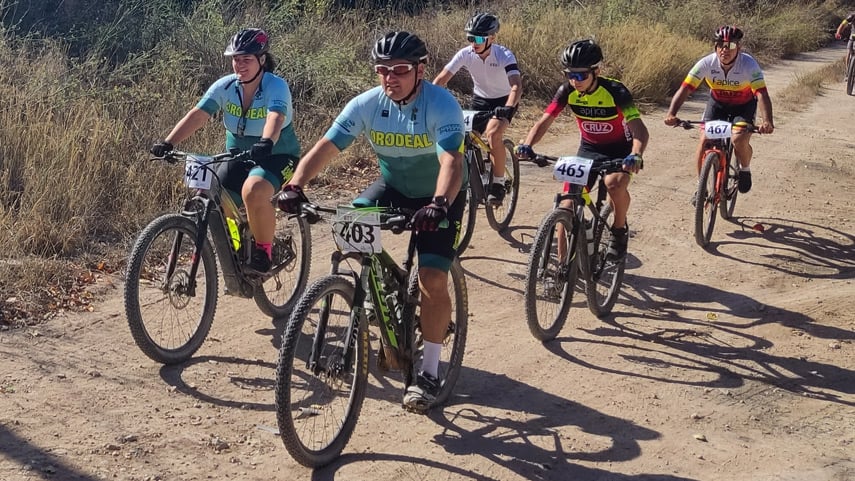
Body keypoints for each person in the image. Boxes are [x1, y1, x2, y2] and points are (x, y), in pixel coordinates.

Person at [274, 31, 466, 413]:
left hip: (440, 196)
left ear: (421, 70)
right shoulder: (366, 104)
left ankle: (428, 370)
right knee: (352, 233)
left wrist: (439, 204)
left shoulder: (441, 104)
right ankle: (383, 297)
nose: (389, 78)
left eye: (399, 70)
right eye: (382, 70)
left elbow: (452, 162)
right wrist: (294, 185)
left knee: (430, 278)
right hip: (392, 186)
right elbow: (326, 147)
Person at [150, 28, 300, 275]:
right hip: (238, 155)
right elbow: (198, 115)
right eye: (235, 59)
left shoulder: (276, 86)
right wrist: (168, 142)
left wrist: (267, 141)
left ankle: (264, 251)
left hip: (276, 155)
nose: (239, 65)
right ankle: (239, 246)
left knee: (253, 191)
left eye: (247, 59)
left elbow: (276, 116)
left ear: (262, 60)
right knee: (213, 195)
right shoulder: (226, 86)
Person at [515, 39, 647, 260]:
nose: (574, 81)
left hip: (619, 150)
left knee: (613, 184)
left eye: (580, 75)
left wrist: (636, 154)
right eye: (569, 74)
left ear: (596, 71)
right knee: (565, 205)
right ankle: (560, 271)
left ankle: (619, 230)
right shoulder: (567, 91)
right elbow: (544, 122)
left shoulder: (615, 91)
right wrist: (527, 145)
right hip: (589, 148)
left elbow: (640, 130)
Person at [664, 25, 774, 198]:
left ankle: (744, 169)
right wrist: (672, 113)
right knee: (704, 140)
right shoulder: (706, 63)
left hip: (743, 106)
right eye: (720, 44)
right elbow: (685, 89)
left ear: (738, 47)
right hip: (718, 105)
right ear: (715, 47)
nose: (725, 49)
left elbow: (761, 94)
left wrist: (767, 121)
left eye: (730, 45)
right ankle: (701, 189)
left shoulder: (748, 64)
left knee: (738, 139)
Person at [432, 12, 522, 205]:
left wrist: (508, 108)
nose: (474, 42)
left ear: (492, 38)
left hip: (504, 101)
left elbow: (516, 86)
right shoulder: (466, 54)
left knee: (493, 134)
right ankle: (476, 174)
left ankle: (498, 182)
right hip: (480, 100)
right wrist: (428, 100)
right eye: (471, 38)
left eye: (479, 38)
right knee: (465, 136)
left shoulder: (504, 54)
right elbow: (441, 80)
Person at [835, 12, 855, 79]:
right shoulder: (852, 16)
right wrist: (838, 33)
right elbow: (842, 24)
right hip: (853, 37)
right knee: (849, 52)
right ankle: (848, 72)